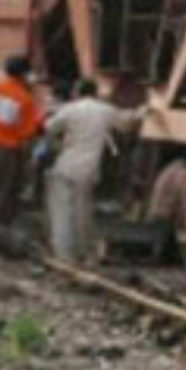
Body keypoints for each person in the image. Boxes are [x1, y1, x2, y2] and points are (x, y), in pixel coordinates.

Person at [44, 79, 144, 262]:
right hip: (88, 169)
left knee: (62, 211)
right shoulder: (105, 110)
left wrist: (57, 141)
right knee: (83, 213)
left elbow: (49, 127)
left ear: (77, 92)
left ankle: (62, 253)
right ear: (95, 92)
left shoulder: (70, 109)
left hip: (65, 165)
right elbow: (126, 123)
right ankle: (83, 252)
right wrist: (143, 111)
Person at [0, 54, 43, 225]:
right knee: (5, 193)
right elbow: (28, 132)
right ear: (25, 74)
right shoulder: (24, 99)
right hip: (8, 151)